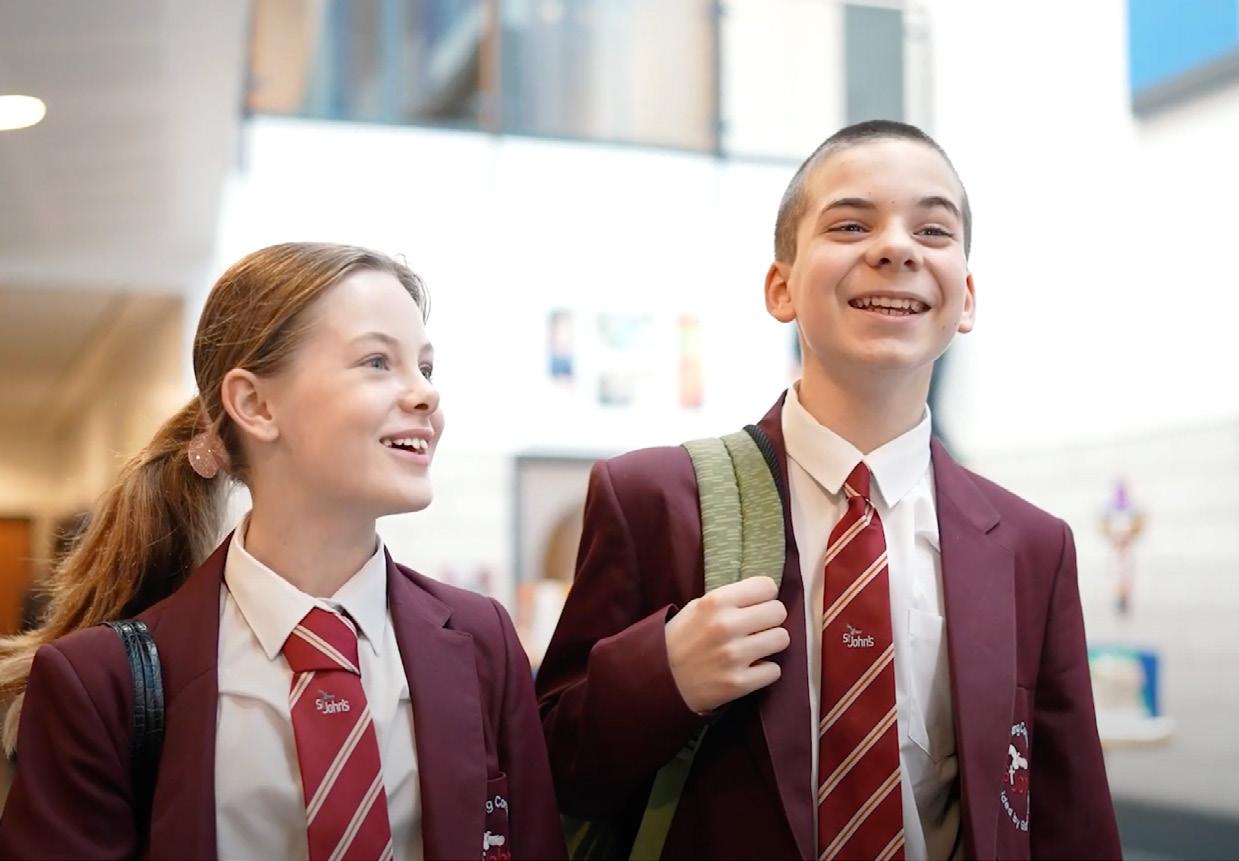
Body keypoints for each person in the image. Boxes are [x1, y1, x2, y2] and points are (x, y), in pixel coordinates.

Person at [536, 121, 1121, 860]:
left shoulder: (1030, 547)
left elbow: (1069, 818)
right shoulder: (654, 499)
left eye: (932, 230)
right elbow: (546, 768)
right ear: (781, 288)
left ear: (966, 297)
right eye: (850, 224)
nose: (896, 249)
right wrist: (663, 676)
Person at [0, 242, 566, 861]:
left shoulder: (483, 642)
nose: (425, 395)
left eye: (425, 368)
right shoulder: (98, 683)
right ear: (256, 404)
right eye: (377, 361)